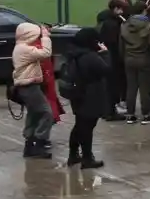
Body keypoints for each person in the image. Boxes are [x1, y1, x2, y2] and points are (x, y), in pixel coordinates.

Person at [65, 27, 109, 166]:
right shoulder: (90, 56)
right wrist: (105, 54)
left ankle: (73, 154)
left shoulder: (74, 54)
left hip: (78, 93)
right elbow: (106, 69)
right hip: (90, 95)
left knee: (79, 125)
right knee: (87, 127)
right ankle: (87, 158)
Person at [12, 22, 55, 158]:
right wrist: (46, 37)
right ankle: (39, 143)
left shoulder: (21, 47)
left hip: (27, 86)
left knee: (34, 114)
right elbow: (46, 53)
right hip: (28, 86)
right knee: (47, 113)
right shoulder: (24, 49)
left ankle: (30, 145)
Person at [120, 2, 150, 123]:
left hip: (129, 59)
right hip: (144, 59)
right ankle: (146, 114)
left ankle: (130, 114)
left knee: (131, 87)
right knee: (145, 89)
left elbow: (120, 45)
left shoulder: (125, 25)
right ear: (143, 11)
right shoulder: (148, 26)